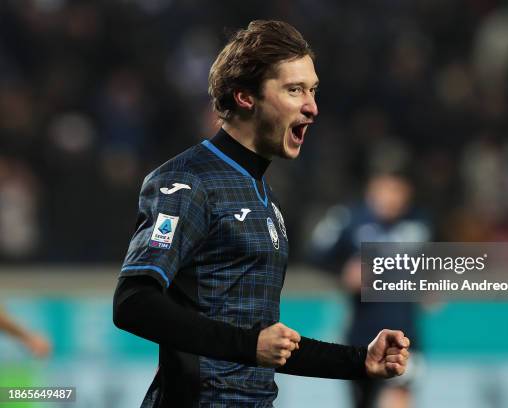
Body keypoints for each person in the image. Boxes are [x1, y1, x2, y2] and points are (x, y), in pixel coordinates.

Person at [113, 20, 410, 407]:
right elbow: (133, 302)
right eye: (294, 90)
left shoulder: (265, 198)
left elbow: (266, 342)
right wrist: (250, 344)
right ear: (245, 96)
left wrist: (359, 361)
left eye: (313, 90)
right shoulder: (188, 181)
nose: (312, 107)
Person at [310, 163, 430, 408]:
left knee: (397, 398)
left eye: (397, 190)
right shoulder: (349, 220)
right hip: (362, 335)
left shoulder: (419, 224)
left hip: (404, 335)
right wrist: (344, 271)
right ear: (371, 190)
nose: (390, 197)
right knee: (362, 401)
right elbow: (316, 255)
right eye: (384, 189)